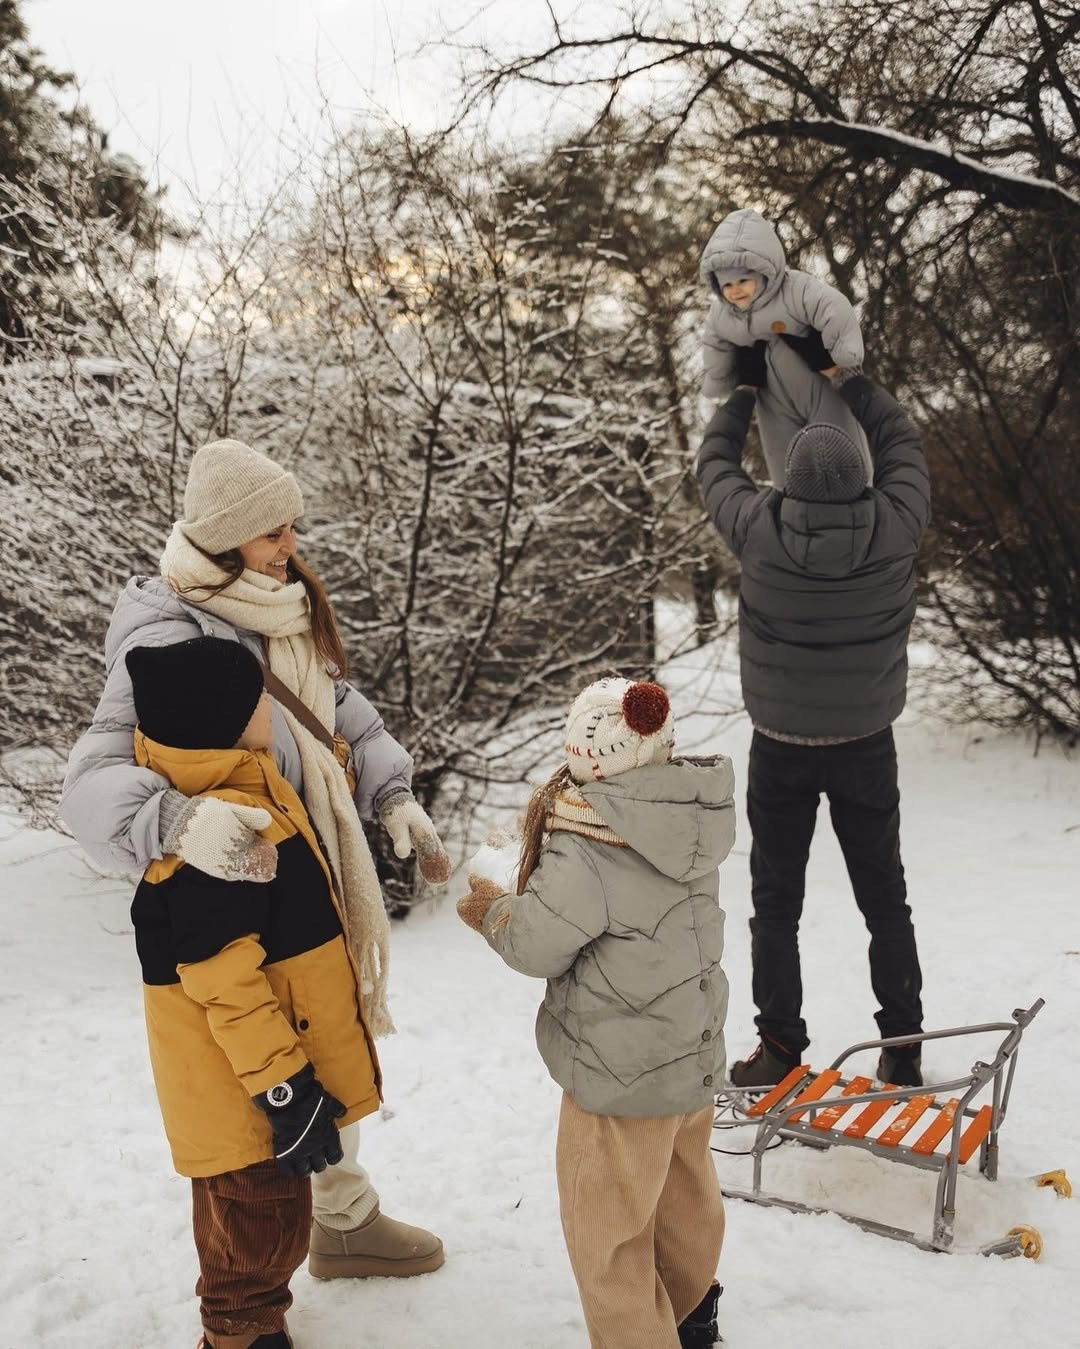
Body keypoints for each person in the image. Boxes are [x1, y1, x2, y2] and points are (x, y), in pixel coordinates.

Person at [60, 438, 447, 1278]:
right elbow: (87, 784)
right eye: (275, 531)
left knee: (328, 1041)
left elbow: (339, 710)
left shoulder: (275, 606)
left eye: (292, 527)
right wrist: (171, 818)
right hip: (240, 888)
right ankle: (248, 1290)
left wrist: (392, 795)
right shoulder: (166, 631)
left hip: (309, 867)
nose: (291, 548)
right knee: (277, 1069)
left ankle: (343, 1220)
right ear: (230, 534)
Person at [456, 678, 733, 1349]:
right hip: (687, 1055)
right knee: (683, 1191)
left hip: (616, 1074)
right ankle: (694, 1311)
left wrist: (492, 909)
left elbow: (537, 942)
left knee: (605, 1229)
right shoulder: (687, 814)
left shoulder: (590, 840)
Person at [126, 635, 382, 1348]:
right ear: (228, 721)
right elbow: (224, 983)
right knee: (259, 1223)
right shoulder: (223, 831)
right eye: (259, 700)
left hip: (236, 1083)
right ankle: (239, 1331)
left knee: (245, 1214)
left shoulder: (245, 790)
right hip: (244, 1089)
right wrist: (285, 1091)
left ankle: (247, 1321)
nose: (273, 706)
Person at [695, 336, 932, 1090]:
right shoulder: (896, 523)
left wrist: (741, 393)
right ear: (865, 478)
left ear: (786, 479)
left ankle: (778, 1049)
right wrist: (848, 382)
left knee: (776, 905)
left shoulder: (759, 530)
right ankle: (901, 1044)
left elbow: (713, 467)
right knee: (884, 900)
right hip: (866, 744)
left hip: (783, 749)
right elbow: (904, 441)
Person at [700, 207, 870, 486]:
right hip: (771, 399)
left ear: (765, 271)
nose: (735, 290)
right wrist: (718, 380)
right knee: (785, 463)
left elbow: (832, 305)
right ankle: (794, 511)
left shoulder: (794, 290)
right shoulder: (722, 315)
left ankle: (862, 496)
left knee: (843, 447)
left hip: (817, 384)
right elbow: (714, 342)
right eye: (727, 284)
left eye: (743, 280)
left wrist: (843, 353)